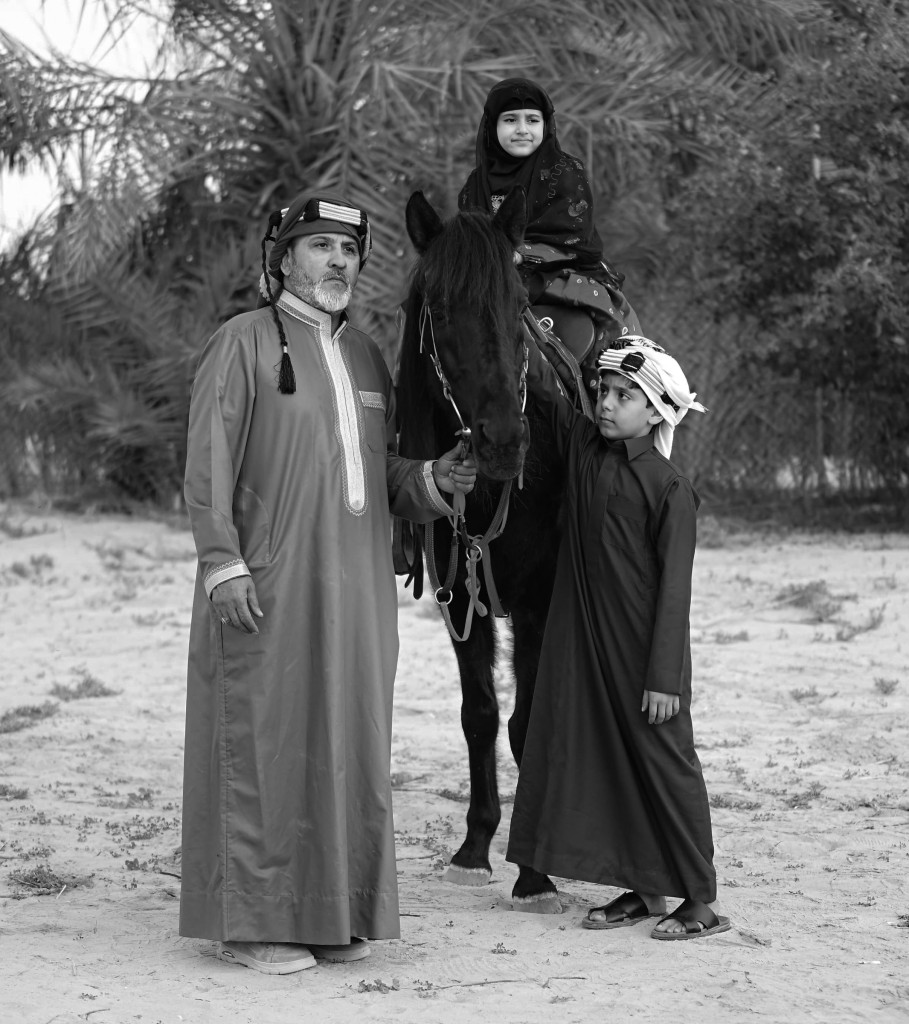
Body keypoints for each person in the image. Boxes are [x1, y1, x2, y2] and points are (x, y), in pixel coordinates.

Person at [180, 189, 477, 975]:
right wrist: (222, 563)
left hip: (358, 592)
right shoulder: (242, 342)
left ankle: (328, 912)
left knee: (346, 747)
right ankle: (250, 925)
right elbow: (207, 464)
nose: (338, 261)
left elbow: (379, 476)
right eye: (320, 246)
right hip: (267, 583)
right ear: (283, 259)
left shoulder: (368, 356)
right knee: (266, 743)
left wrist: (435, 480)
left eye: (349, 250)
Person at [506, 337, 731, 940]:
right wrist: (518, 316)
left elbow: (675, 593)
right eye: (604, 391)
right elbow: (544, 390)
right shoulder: (585, 452)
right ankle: (644, 888)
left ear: (657, 411)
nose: (606, 404)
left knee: (665, 766)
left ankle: (701, 901)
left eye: (624, 396)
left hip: (646, 662)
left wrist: (664, 680)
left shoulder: (670, 488)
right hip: (588, 653)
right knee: (613, 767)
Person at [458, 77, 639, 357]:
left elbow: (573, 235)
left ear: (546, 124)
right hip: (492, 276)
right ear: (492, 126)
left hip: (559, 272)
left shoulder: (565, 172)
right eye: (510, 120)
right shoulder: (476, 184)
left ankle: (603, 382)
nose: (522, 129)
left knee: (607, 341)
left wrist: (520, 255)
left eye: (532, 120)